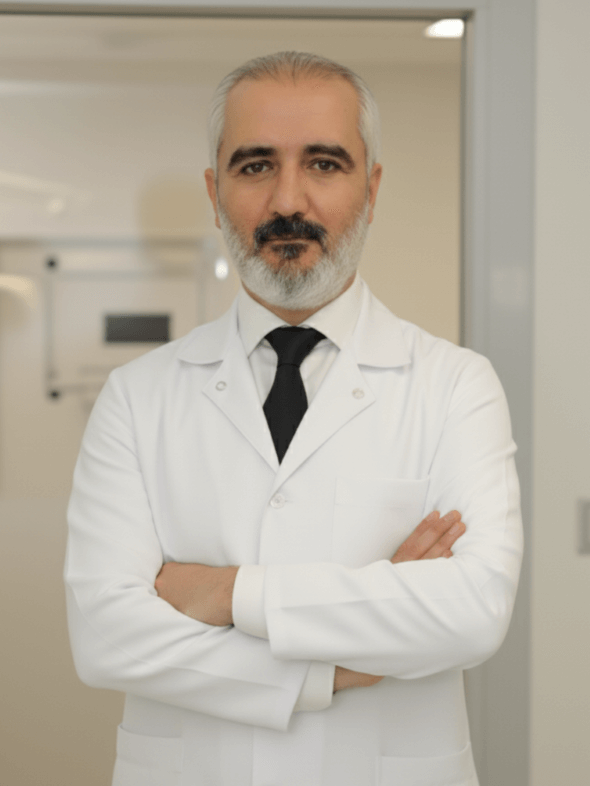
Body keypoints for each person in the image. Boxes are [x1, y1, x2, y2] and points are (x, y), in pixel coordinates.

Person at [64, 52, 523, 786]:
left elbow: (471, 610)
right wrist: (333, 668)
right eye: (255, 166)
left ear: (372, 188)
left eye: (324, 164)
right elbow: (106, 635)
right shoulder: (137, 396)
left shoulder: (454, 386)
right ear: (215, 192)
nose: (288, 199)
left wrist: (225, 593)